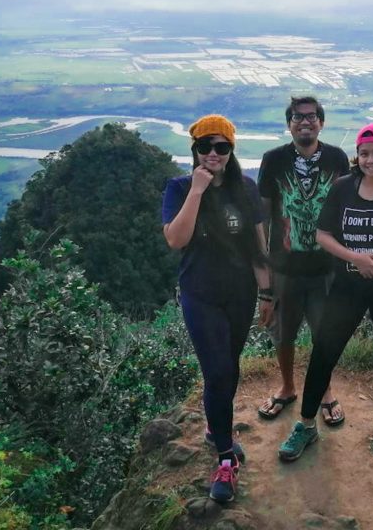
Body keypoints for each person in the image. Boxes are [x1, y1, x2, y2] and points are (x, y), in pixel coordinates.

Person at [277, 123, 373, 461]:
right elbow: (324, 235)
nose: (371, 160)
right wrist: (356, 257)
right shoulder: (342, 188)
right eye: (365, 153)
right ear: (358, 156)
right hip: (346, 288)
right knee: (324, 351)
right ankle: (307, 425)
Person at [162, 114, 273, 504]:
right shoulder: (178, 188)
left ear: (231, 151)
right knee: (218, 370)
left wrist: (267, 295)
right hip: (200, 294)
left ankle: (216, 429)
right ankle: (226, 457)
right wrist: (196, 190)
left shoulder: (245, 187)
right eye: (205, 146)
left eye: (221, 146)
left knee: (231, 365)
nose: (213, 153)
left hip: (240, 295)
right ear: (194, 150)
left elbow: (259, 248)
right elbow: (176, 240)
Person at [257, 96, 350, 425]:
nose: (305, 121)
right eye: (298, 117)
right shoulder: (273, 160)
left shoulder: (338, 159)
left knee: (324, 333)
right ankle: (287, 388)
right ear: (289, 124)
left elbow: (346, 209)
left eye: (311, 116)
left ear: (321, 123)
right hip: (285, 269)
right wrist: (264, 280)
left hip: (327, 269)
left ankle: (325, 391)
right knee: (283, 334)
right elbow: (262, 218)